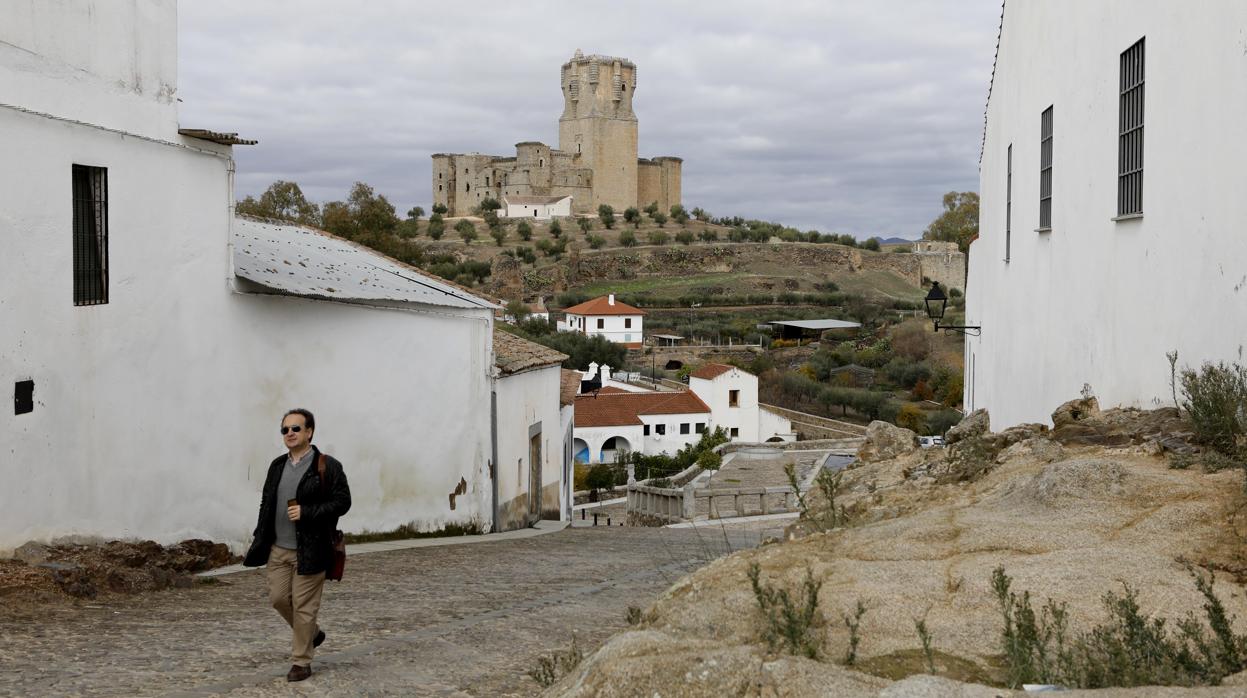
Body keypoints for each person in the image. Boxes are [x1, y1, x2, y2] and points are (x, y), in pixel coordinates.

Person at [243, 408, 351, 682]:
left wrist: (308, 512)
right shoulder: (277, 465)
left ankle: (301, 661)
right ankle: (313, 634)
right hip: (278, 548)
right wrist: (261, 534)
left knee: (304, 607)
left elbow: (343, 502)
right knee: (279, 599)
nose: (289, 434)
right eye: (285, 430)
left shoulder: (327, 466)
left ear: (309, 432)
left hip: (312, 549)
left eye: (296, 429)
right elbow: (267, 502)